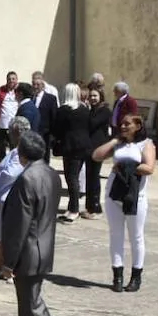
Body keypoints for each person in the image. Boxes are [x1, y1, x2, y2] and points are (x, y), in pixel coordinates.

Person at [1, 132, 79, 316]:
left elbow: (18, 225)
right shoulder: (50, 173)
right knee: (26, 307)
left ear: (21, 153)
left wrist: (8, 261)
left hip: (29, 251)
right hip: (43, 247)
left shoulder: (27, 179)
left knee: (33, 307)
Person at [94, 113, 155, 293]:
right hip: (114, 194)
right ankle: (117, 276)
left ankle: (136, 277)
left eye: (127, 124)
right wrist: (115, 141)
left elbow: (149, 168)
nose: (122, 126)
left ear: (138, 125)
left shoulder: (146, 144)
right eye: (121, 124)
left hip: (135, 196)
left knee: (136, 236)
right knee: (116, 235)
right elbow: (96, 156)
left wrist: (124, 166)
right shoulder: (119, 143)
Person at [0, 117, 31, 281]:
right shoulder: (17, 150)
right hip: (5, 197)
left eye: (11, 132)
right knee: (2, 235)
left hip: (8, 197)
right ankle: (4, 265)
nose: (9, 135)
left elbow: (12, 173)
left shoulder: (22, 152)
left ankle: (5, 266)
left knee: (4, 235)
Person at [52, 83, 92, 223]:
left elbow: (57, 129)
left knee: (72, 178)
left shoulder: (64, 110)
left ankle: (74, 209)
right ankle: (71, 207)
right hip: (83, 147)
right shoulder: (84, 109)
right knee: (73, 177)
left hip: (70, 147)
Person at [82, 86, 112, 219]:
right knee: (89, 177)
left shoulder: (104, 111)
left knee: (94, 177)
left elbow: (92, 123)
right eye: (91, 96)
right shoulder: (93, 110)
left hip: (98, 148)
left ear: (100, 97)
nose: (92, 98)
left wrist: (86, 111)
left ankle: (95, 208)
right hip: (89, 147)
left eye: (95, 96)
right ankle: (89, 207)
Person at [30, 72, 59, 162]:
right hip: (32, 134)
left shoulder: (51, 98)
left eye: (38, 84)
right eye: (34, 84)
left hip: (45, 134)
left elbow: (54, 117)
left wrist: (53, 135)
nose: (35, 86)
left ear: (42, 85)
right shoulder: (30, 98)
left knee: (44, 158)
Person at [0, 72, 20, 161]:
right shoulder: (0, 91)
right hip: (2, 123)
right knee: (1, 146)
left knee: (14, 147)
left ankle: (13, 164)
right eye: (9, 79)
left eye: (13, 79)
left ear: (16, 80)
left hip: (15, 125)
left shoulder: (20, 92)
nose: (11, 81)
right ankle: (1, 163)